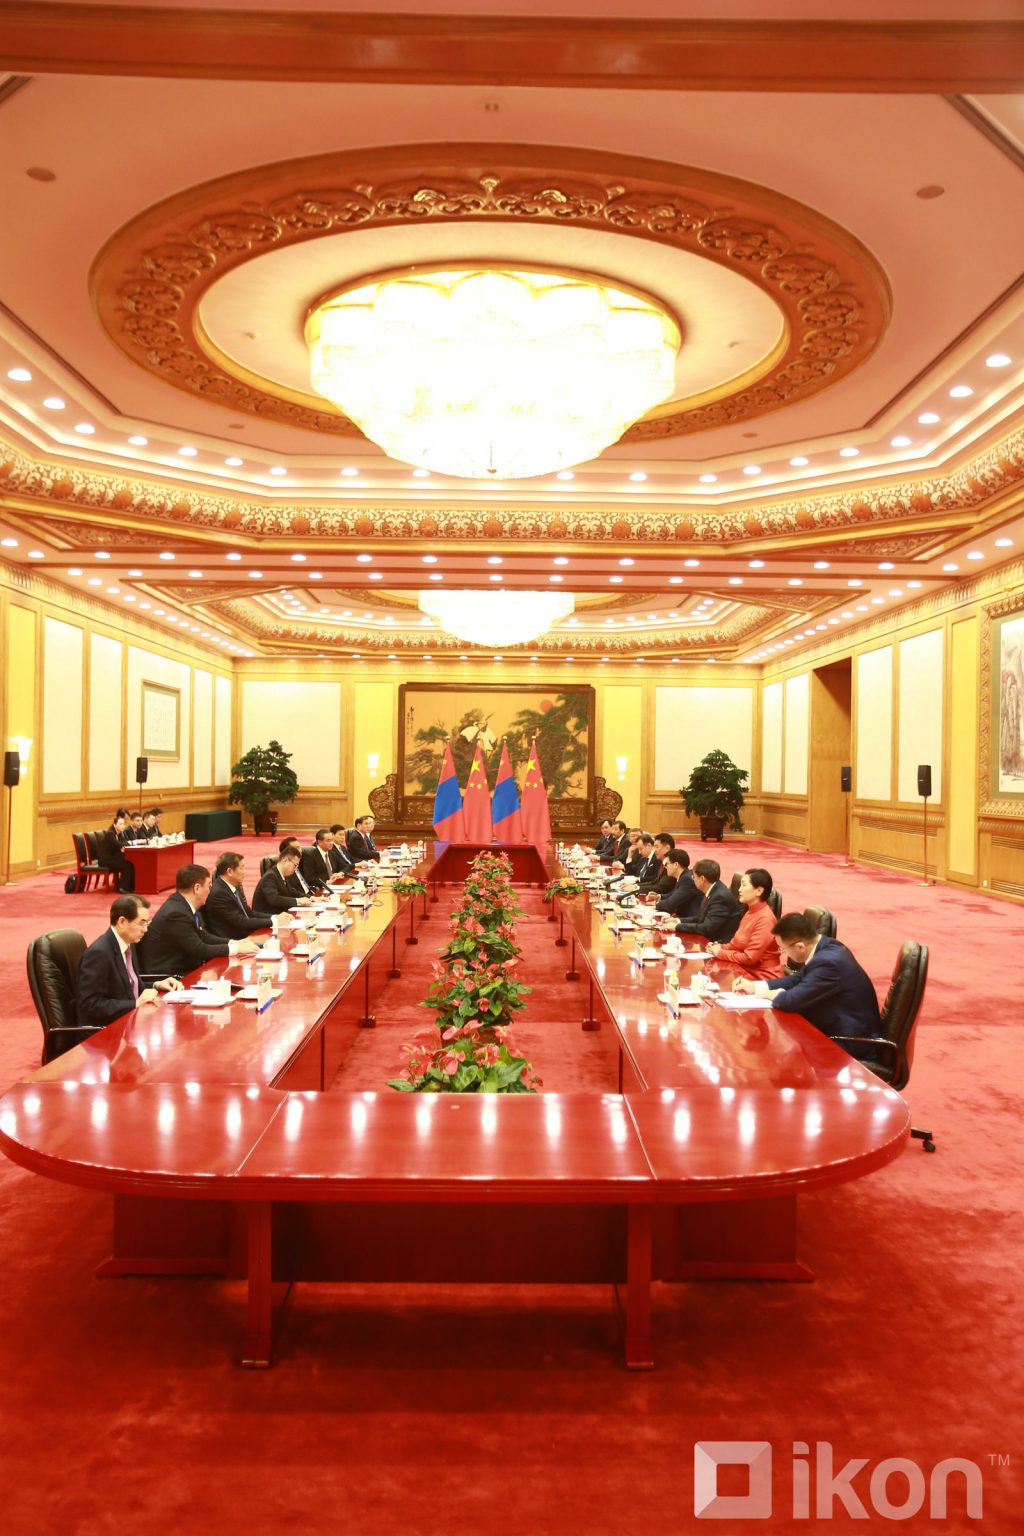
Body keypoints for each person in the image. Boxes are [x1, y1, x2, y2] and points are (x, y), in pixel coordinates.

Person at [734, 913, 883, 1061]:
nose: (783, 953)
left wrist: (773, 994)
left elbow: (790, 1001)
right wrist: (755, 986)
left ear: (800, 947)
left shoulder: (828, 963)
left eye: (783, 949)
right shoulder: (826, 946)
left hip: (850, 1041)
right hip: (833, 1026)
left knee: (780, 1053)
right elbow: (797, 979)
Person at [76, 894, 183, 1029]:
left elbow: (128, 986)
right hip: (105, 1031)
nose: (146, 929)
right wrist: (135, 1004)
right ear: (122, 922)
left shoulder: (126, 944)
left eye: (147, 923)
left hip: (129, 1022)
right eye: (142, 923)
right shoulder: (99, 953)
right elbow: (89, 1005)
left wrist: (156, 985)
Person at [139, 864, 259, 977]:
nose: (210, 891)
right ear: (197, 888)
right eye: (208, 886)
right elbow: (199, 949)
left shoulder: (184, 904)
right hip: (171, 976)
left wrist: (234, 943)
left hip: (185, 968)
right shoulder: (176, 913)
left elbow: (204, 936)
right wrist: (236, 949)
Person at [705, 868, 784, 979]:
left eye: (744, 885)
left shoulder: (765, 920)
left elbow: (749, 958)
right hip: (744, 970)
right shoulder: (749, 912)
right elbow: (734, 945)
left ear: (759, 891)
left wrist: (720, 953)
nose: (739, 890)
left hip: (763, 976)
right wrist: (718, 947)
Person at [203, 852, 271, 940]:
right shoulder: (219, 893)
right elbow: (241, 922)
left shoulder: (230, 886)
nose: (244, 872)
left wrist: (274, 917)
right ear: (230, 871)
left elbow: (249, 913)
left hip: (244, 935)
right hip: (234, 940)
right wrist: (273, 921)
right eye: (241, 868)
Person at [674, 857, 744, 942]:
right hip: (710, 938)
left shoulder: (720, 897)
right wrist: (677, 921)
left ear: (702, 879)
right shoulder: (713, 888)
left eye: (694, 877)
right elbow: (701, 918)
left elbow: (707, 928)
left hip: (718, 942)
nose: (693, 879)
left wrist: (677, 927)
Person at [253, 847, 308, 917]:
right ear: (285, 860)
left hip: (280, 914)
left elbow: (291, 891)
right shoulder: (270, 876)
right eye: (295, 865)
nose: (295, 869)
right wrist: (297, 901)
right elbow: (274, 899)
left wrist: (310, 898)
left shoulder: (282, 874)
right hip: (267, 917)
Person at [655, 849, 703, 922]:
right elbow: (674, 895)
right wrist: (658, 897)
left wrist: (655, 904)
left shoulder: (687, 879)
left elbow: (669, 904)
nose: (665, 867)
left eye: (667, 864)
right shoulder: (684, 876)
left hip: (690, 921)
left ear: (676, 865)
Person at [96, 812, 135, 892]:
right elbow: (120, 845)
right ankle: (122, 887)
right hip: (105, 860)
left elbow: (125, 843)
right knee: (128, 865)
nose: (123, 826)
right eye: (120, 824)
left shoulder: (119, 834)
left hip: (113, 858)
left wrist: (123, 845)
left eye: (123, 824)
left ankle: (129, 886)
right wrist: (123, 845)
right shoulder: (110, 834)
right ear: (114, 825)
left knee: (130, 862)